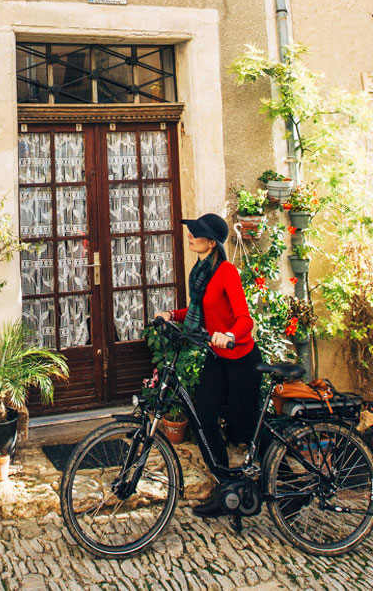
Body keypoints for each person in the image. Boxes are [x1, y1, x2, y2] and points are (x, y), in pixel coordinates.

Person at [154, 212, 261, 518]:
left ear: (211, 243)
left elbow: (244, 319)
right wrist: (173, 315)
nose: (190, 236)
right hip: (218, 359)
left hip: (241, 360)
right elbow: (201, 308)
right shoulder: (202, 272)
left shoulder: (226, 271)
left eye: (196, 233)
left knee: (247, 428)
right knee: (204, 419)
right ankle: (225, 486)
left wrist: (229, 335)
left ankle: (286, 485)